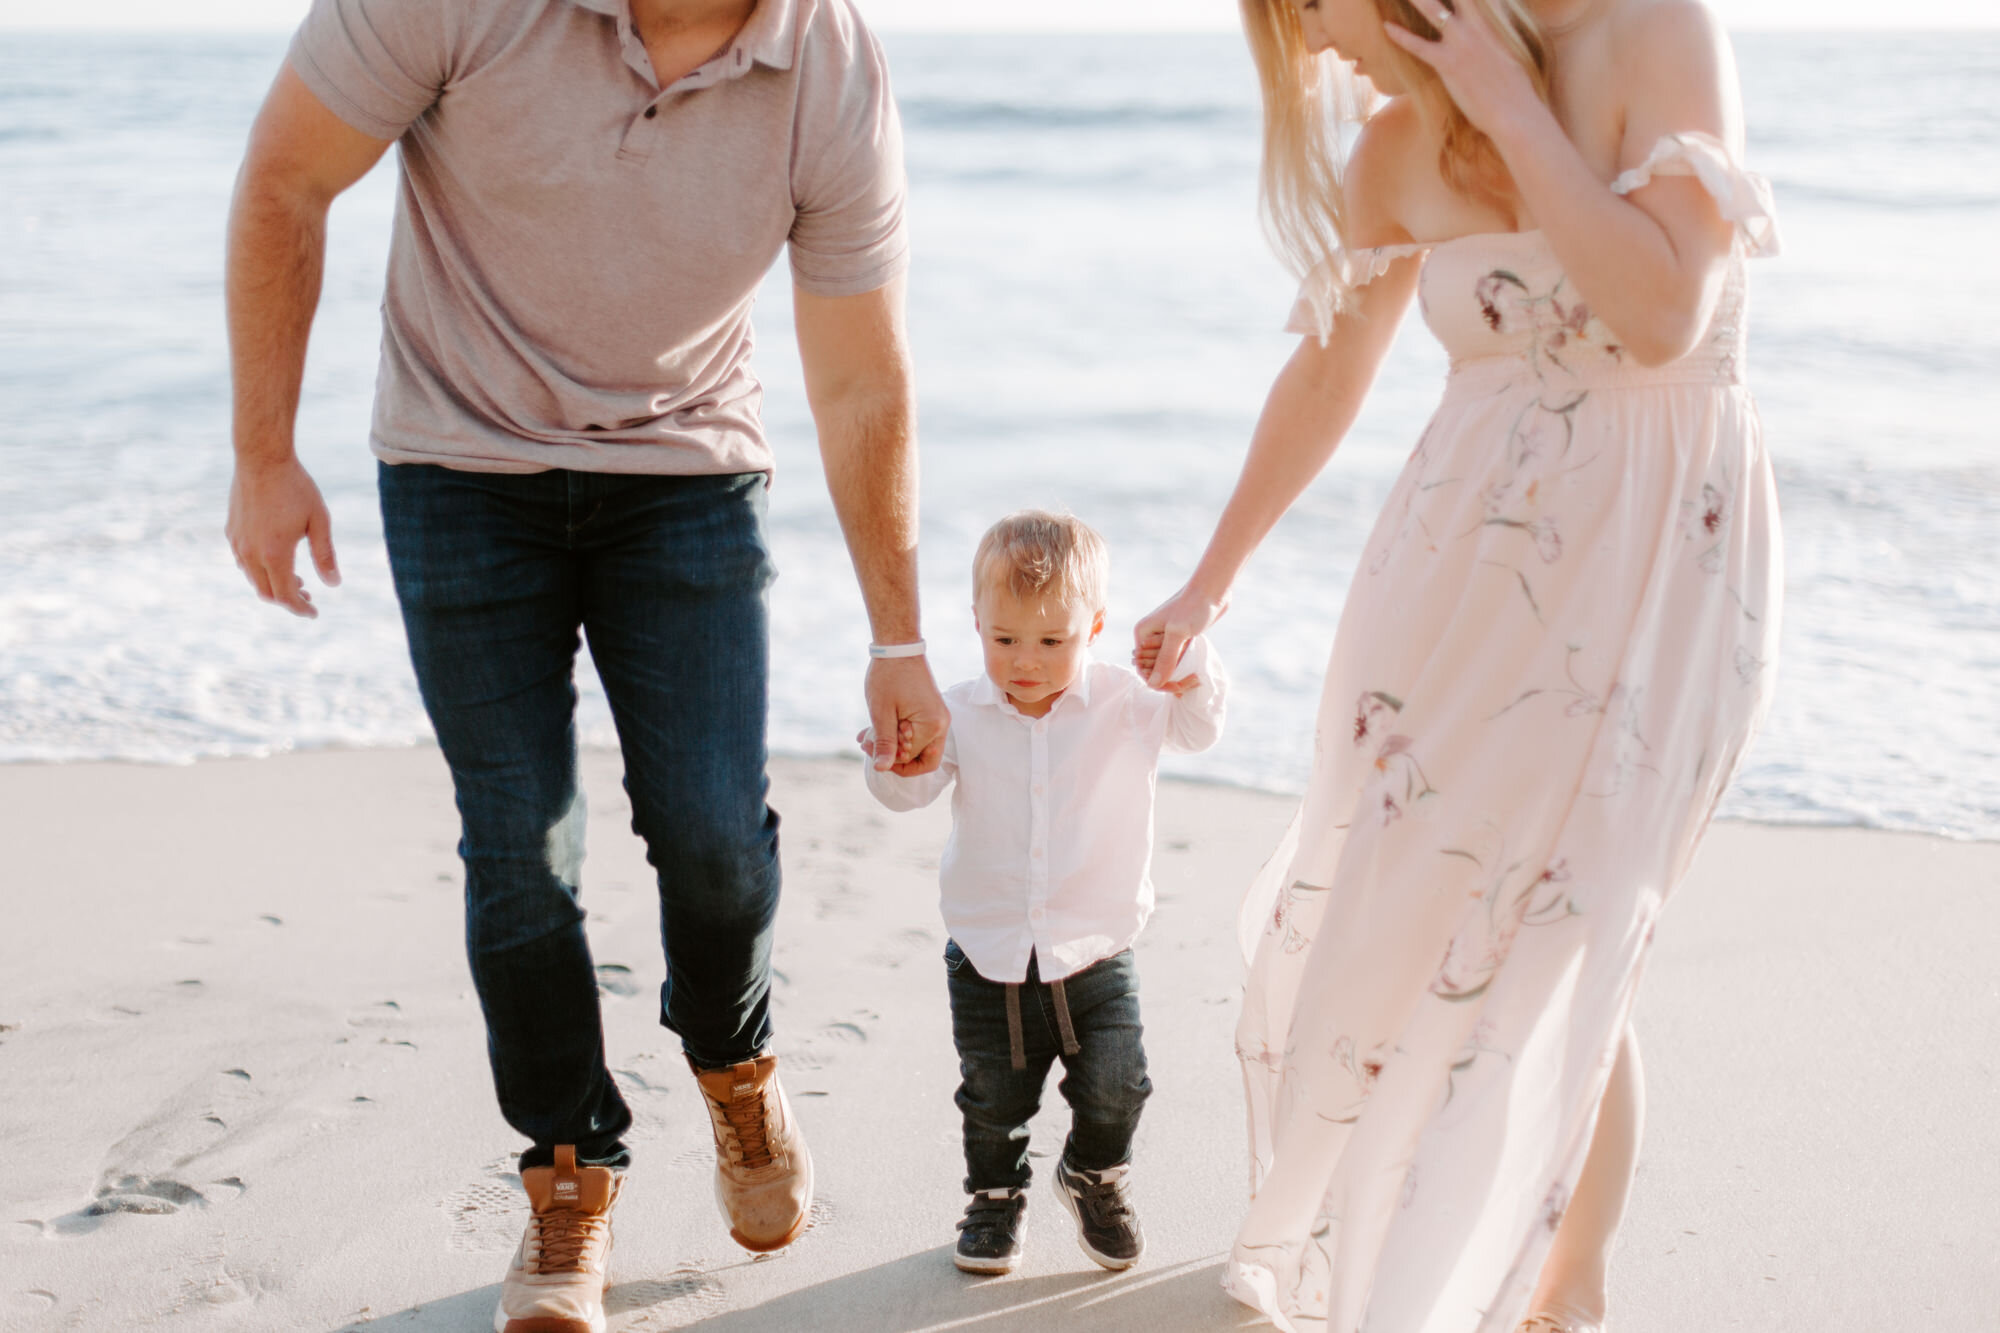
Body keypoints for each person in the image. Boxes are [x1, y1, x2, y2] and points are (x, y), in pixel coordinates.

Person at [220, 1, 948, 1329]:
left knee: (717, 837)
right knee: (519, 844)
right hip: (459, 470)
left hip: (687, 473)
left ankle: (733, 1060)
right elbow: (289, 175)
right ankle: (568, 1176)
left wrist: (898, 638)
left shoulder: (827, 60)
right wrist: (264, 457)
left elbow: (857, 374)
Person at [1134, 0, 1781, 1328]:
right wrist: (1210, 581)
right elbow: (1329, 373)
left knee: (1584, 917)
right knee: (1454, 923)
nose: (1312, 46)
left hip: (1660, 570)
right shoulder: (1388, 157)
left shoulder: (1656, 37)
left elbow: (1663, 311)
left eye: (1310, 6)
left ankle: (1564, 1278)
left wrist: (1509, 105)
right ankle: (1534, 1282)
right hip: (1454, 587)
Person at [860, 511, 1227, 1276]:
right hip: (988, 950)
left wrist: (1191, 663)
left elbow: (1198, 727)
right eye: (1004, 639)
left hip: (1097, 944)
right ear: (977, 626)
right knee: (993, 1098)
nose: (1025, 660)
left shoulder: (1126, 701)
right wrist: (893, 759)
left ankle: (1093, 1173)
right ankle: (995, 1198)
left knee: (1119, 1086)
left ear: (1093, 626)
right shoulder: (956, 707)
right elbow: (912, 792)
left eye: (1052, 641)